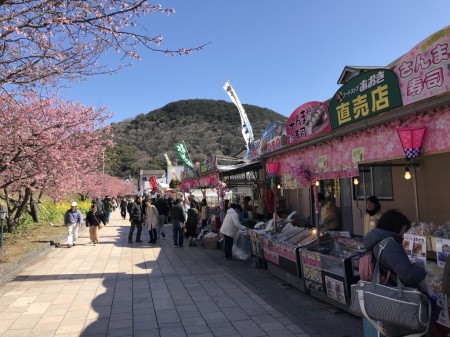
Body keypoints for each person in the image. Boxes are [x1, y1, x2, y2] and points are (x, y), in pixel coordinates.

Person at [363, 209, 434, 337]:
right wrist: (422, 270)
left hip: (386, 294)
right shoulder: (390, 244)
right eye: (404, 229)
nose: (404, 233)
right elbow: (407, 275)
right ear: (397, 227)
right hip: (398, 299)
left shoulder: (376, 240)